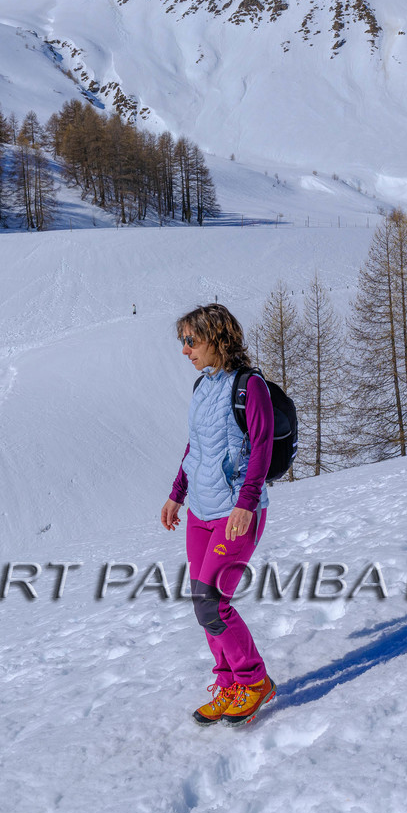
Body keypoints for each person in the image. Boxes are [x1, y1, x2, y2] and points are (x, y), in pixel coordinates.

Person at [161, 303, 277, 726]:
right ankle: (229, 685)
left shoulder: (250, 387)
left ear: (217, 338)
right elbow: (197, 447)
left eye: (192, 340)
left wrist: (246, 503)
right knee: (203, 603)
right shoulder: (202, 387)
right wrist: (177, 494)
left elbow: (262, 449)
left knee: (212, 602)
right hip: (200, 511)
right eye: (183, 342)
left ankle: (253, 680)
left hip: (235, 512)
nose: (186, 349)